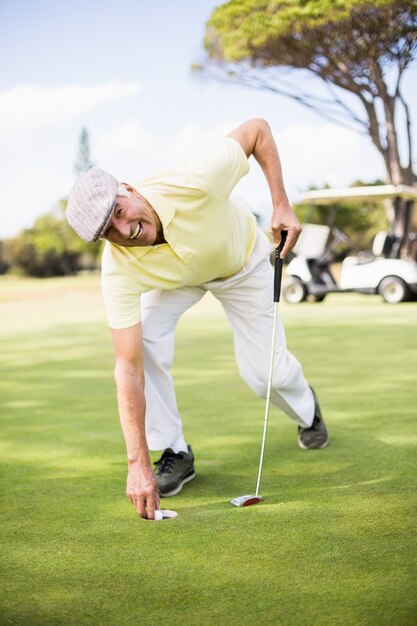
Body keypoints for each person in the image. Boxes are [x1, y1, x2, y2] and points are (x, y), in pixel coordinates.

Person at [66, 118, 329, 520]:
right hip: (179, 280)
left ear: (129, 189)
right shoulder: (118, 267)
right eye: (110, 230)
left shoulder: (196, 180)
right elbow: (127, 368)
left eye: (120, 211)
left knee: (265, 376)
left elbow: (257, 130)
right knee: (146, 341)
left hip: (242, 263)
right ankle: (174, 450)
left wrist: (280, 202)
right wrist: (136, 463)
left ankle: (308, 411)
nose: (126, 229)